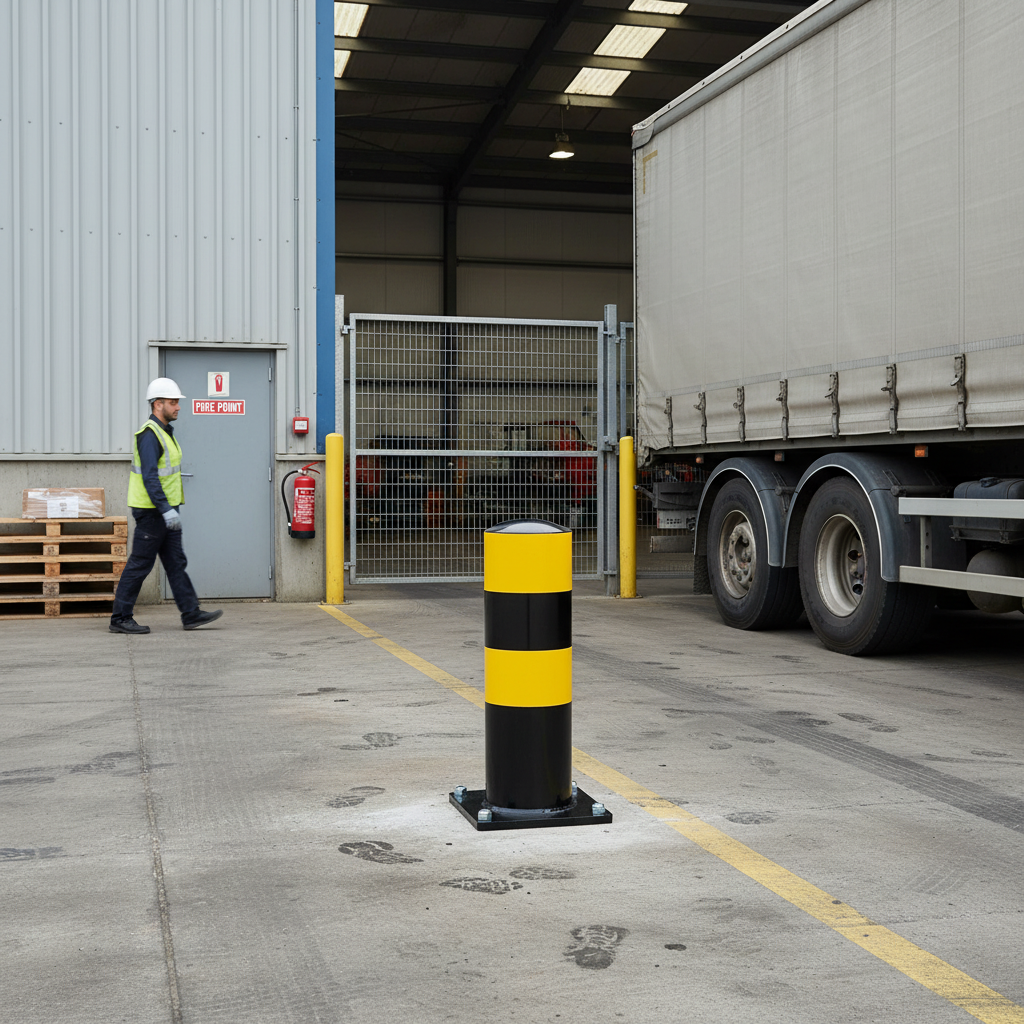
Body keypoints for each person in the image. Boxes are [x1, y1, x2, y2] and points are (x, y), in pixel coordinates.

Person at [109, 378, 223, 634]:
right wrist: (165, 509)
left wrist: (171, 509)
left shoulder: (165, 433)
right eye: (173, 402)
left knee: (175, 562)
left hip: (166, 511)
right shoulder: (149, 435)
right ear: (157, 404)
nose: (178, 407)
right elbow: (150, 476)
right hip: (153, 513)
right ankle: (120, 618)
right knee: (140, 564)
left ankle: (190, 613)